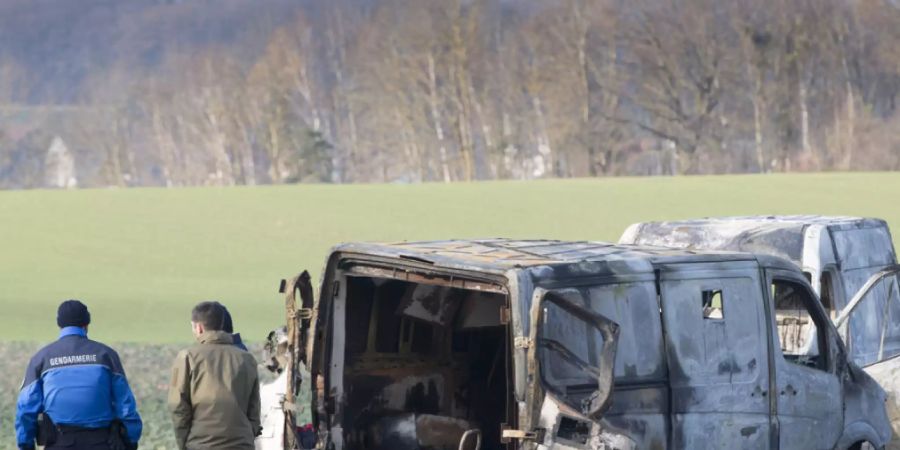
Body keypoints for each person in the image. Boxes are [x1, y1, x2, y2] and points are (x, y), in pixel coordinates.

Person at [15, 300, 142, 450]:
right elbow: (126, 406)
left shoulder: (41, 358)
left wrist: (25, 445)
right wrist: (131, 441)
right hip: (102, 442)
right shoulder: (106, 355)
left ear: (59, 325)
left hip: (58, 442)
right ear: (86, 324)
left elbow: (26, 409)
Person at [169, 301, 261, 450]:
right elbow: (254, 409)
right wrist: (247, 436)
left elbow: (178, 406)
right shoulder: (247, 359)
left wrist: (185, 443)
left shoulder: (187, 357)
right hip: (241, 444)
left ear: (198, 328)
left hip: (200, 445)